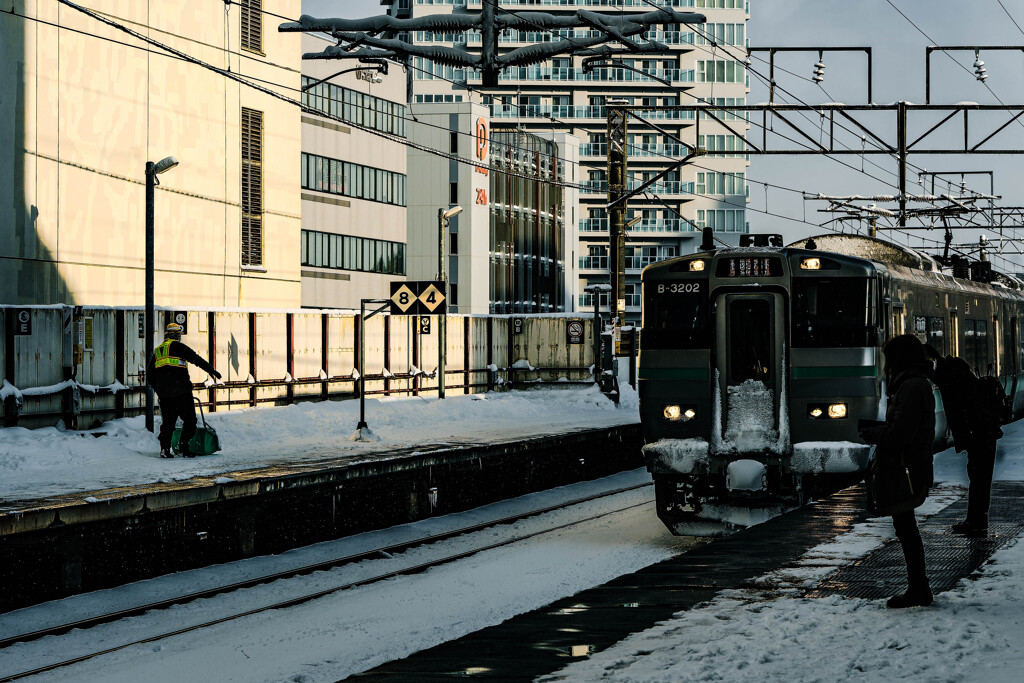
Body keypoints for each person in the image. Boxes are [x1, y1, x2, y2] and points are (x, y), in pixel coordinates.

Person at [860, 335, 936, 608]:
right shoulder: (912, 384)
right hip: (908, 464)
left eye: (889, 358)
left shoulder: (911, 387)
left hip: (906, 467)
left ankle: (919, 589)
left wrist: (872, 433)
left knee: (907, 529)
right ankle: (918, 587)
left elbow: (901, 433)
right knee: (905, 528)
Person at [923, 344, 1002, 537]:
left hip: (981, 433)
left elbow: (967, 405)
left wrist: (970, 433)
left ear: (931, 359)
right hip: (979, 433)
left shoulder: (953, 373)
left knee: (979, 480)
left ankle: (977, 523)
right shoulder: (951, 371)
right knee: (978, 479)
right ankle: (975, 520)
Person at [147, 322, 221, 458]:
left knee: (168, 423)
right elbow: (195, 358)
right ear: (176, 335)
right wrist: (211, 370)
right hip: (181, 392)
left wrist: (160, 390)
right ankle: (183, 448)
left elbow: (150, 376)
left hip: (165, 395)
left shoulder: (157, 351)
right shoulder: (177, 346)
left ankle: (165, 449)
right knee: (190, 420)